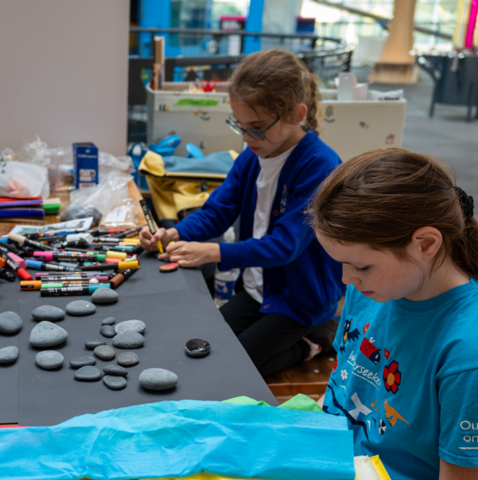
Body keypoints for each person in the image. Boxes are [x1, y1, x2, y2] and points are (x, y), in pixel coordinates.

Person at [140, 49, 344, 377]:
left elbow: (285, 245)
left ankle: (314, 342)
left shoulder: (319, 165)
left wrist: (213, 252)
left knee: (236, 369)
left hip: (301, 300)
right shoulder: (252, 155)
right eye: (240, 125)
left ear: (296, 113)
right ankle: (302, 339)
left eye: (258, 128)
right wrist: (175, 233)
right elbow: (217, 210)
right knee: (203, 348)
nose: (248, 138)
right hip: (257, 289)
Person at [312, 148, 478, 479]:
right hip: (330, 453)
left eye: (360, 265)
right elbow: (341, 389)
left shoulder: (466, 353)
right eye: (342, 264)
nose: (346, 279)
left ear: (426, 244)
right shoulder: (371, 288)